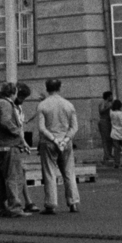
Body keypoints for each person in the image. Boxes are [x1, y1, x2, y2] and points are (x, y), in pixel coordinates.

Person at [35, 78, 80, 213]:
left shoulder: (42, 105)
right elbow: (74, 127)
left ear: (46, 88)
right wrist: (64, 140)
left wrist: (54, 139)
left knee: (49, 173)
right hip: (66, 142)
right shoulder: (68, 105)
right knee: (69, 172)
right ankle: (73, 202)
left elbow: (42, 128)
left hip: (49, 142)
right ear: (60, 88)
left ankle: (51, 204)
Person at [0, 82, 27, 217]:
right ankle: (15, 207)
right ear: (13, 93)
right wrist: (17, 132)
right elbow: (5, 121)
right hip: (9, 146)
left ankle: (0, 208)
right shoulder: (6, 104)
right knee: (13, 177)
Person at [97, 91, 115, 165]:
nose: (112, 97)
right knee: (105, 139)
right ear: (108, 96)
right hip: (104, 121)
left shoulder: (110, 103)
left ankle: (109, 154)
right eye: (111, 96)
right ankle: (106, 155)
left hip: (109, 121)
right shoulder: (103, 102)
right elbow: (101, 111)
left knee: (110, 139)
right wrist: (108, 108)